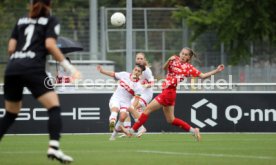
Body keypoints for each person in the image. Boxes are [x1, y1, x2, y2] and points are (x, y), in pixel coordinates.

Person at [0, 0, 81, 163]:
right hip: (33, 68)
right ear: (49, 6)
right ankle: (54, 147)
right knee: (54, 107)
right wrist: (71, 69)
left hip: (12, 68)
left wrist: (20, 60)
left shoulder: (20, 21)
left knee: (10, 113)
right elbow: (50, 45)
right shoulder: (51, 21)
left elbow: (10, 48)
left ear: (31, 5)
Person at [121, 47, 225, 141]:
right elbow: (164, 68)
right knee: (171, 120)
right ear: (180, 53)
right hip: (169, 93)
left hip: (169, 91)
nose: (183, 56)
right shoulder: (174, 59)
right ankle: (194, 131)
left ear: (189, 57)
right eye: (182, 53)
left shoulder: (189, 67)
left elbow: (202, 76)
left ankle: (131, 131)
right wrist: (168, 60)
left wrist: (216, 70)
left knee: (147, 110)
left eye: (186, 55)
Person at [96, 64, 147, 140]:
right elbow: (113, 74)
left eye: (139, 71)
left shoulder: (138, 86)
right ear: (133, 70)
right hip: (116, 98)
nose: (136, 72)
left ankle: (113, 136)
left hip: (126, 102)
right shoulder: (124, 75)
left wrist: (132, 107)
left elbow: (136, 99)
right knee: (115, 110)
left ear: (140, 74)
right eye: (135, 70)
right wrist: (102, 71)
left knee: (123, 116)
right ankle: (112, 123)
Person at [121, 52, 154, 138]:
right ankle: (128, 130)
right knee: (127, 107)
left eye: (141, 59)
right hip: (139, 94)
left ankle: (141, 128)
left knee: (131, 107)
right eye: (138, 58)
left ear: (144, 60)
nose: (139, 60)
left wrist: (145, 85)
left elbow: (152, 82)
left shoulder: (146, 70)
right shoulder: (136, 70)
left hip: (146, 94)